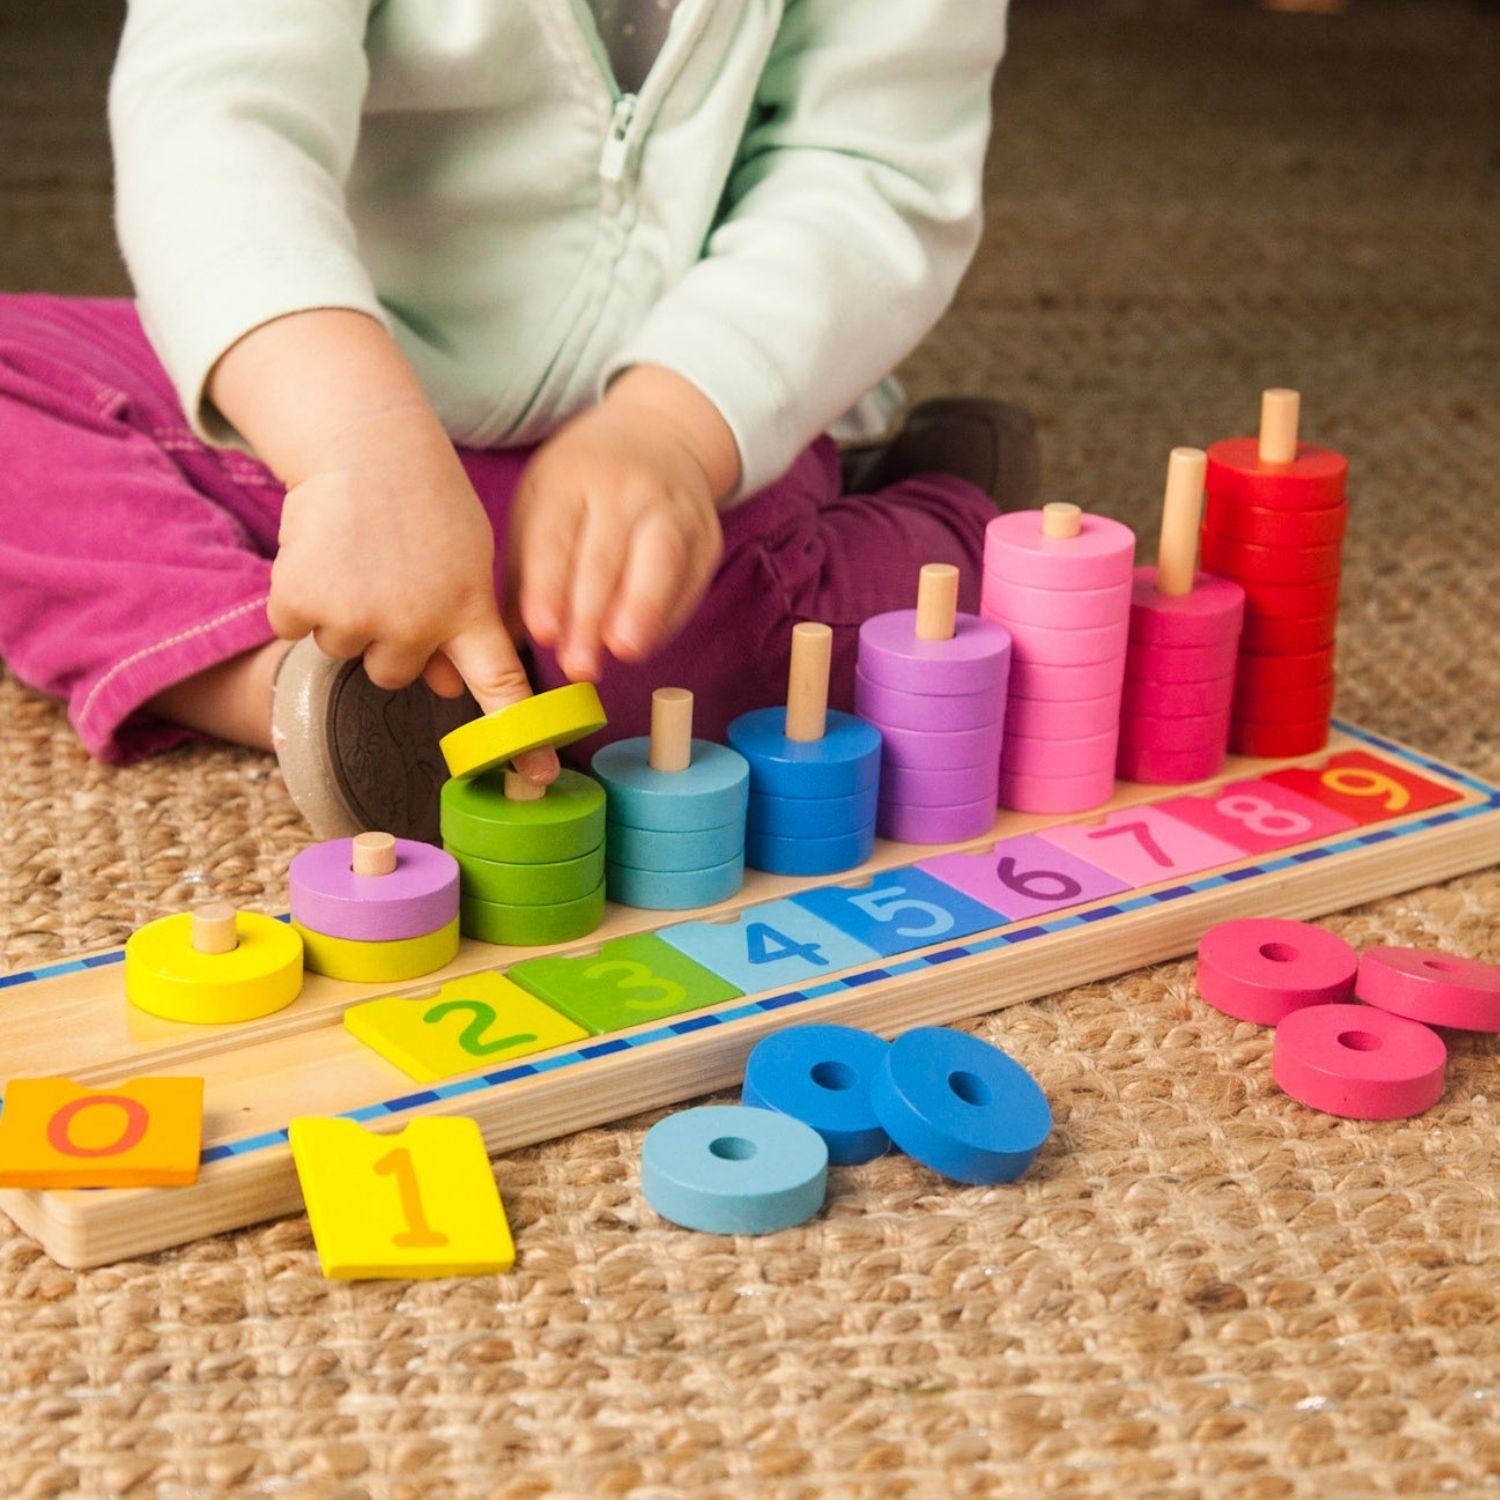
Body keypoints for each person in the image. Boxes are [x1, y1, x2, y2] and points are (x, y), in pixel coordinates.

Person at [0, 0, 1038, 843]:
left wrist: (672, 428)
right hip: (335, 365)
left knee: (654, 679)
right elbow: (214, 118)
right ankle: (300, 690)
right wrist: (352, 445)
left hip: (685, 403)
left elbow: (867, 176)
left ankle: (941, 512)